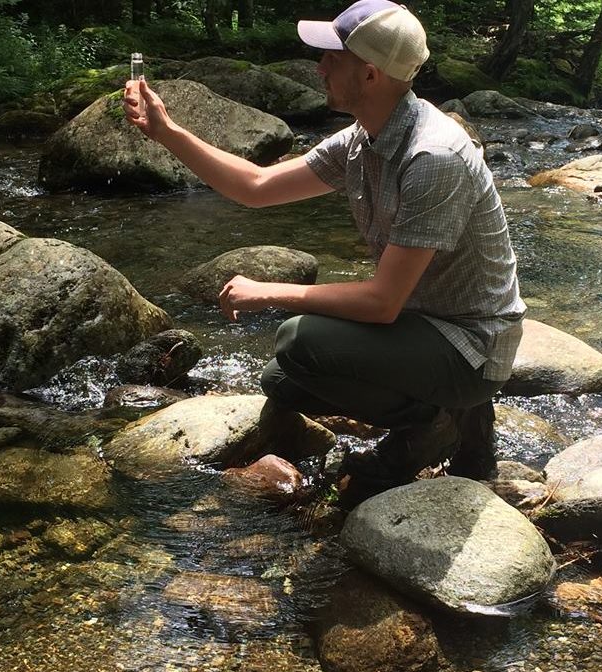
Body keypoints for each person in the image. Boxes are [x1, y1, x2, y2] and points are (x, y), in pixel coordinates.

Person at [123, 0, 526, 508]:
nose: (319, 67)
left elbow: (382, 302)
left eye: (333, 58)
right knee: (285, 381)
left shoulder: (433, 157)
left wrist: (269, 292)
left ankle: (438, 423)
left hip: (470, 347)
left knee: (298, 339)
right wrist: (167, 132)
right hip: (420, 324)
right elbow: (257, 186)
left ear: (371, 73)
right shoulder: (364, 138)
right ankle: (443, 416)